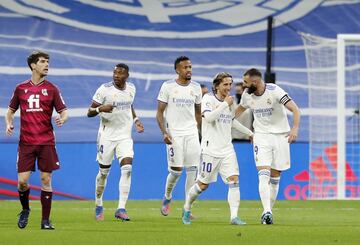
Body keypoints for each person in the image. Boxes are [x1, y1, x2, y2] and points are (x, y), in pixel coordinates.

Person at [5, 50, 68, 230]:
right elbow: (10, 111)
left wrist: (62, 119)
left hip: (46, 141)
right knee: (22, 182)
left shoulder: (52, 89)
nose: (46, 64)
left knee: (46, 179)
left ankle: (45, 221)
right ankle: (25, 209)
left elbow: (64, 111)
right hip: (26, 143)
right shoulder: (20, 88)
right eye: (42, 61)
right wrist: (9, 124)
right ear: (33, 65)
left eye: (48, 61)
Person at [182, 72, 253, 225]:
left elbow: (231, 121)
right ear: (216, 86)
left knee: (234, 180)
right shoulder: (208, 99)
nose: (229, 87)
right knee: (202, 185)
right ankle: (187, 208)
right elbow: (209, 118)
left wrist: (250, 133)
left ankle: (234, 217)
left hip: (227, 149)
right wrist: (225, 104)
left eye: (230, 84)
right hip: (210, 150)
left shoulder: (229, 102)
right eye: (225, 84)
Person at [235, 68, 300, 225]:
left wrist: (295, 128)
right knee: (263, 173)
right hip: (261, 137)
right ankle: (267, 212)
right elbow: (236, 112)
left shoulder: (275, 91)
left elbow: (295, 109)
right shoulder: (247, 95)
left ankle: (267, 210)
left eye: (246, 82)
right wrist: (223, 118)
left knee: (275, 177)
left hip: (281, 136)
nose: (243, 85)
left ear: (255, 82)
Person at [87, 63, 144, 222]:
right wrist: (100, 109)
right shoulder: (104, 90)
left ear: (127, 75)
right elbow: (89, 112)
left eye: (120, 73)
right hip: (107, 136)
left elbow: (129, 105)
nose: (116, 75)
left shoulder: (131, 88)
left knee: (127, 168)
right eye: (115, 73)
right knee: (104, 173)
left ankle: (121, 208)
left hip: (125, 136)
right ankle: (98, 204)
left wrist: (136, 119)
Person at [157, 56, 202, 217]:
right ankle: (167, 196)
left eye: (190, 67)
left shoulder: (196, 87)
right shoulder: (168, 86)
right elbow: (160, 113)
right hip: (174, 134)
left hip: (191, 134)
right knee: (176, 171)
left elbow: (198, 113)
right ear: (177, 70)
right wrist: (164, 132)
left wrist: (201, 134)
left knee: (193, 171)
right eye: (185, 67)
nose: (189, 70)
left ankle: (187, 208)